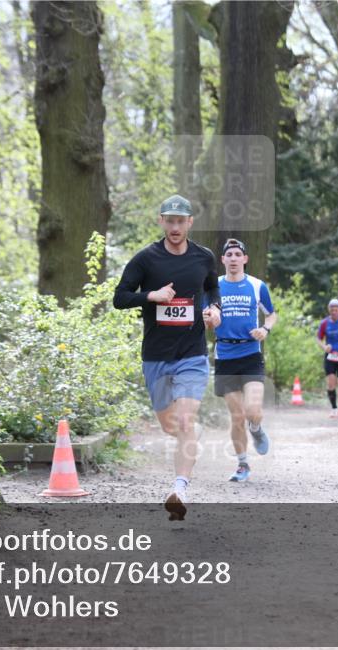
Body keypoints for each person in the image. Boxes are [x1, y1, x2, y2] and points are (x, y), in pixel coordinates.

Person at [113, 194, 221, 521]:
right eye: (169, 220)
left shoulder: (204, 257)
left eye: (181, 221)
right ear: (161, 221)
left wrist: (214, 310)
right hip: (156, 356)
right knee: (171, 426)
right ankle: (191, 436)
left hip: (191, 354)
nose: (175, 227)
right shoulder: (146, 259)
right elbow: (119, 298)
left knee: (186, 421)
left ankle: (180, 488)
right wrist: (151, 296)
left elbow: (212, 288)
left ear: (189, 223)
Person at [212, 238, 278, 482]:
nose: (233, 258)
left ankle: (257, 429)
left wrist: (265, 330)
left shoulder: (257, 285)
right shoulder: (214, 286)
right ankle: (242, 465)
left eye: (237, 254)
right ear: (222, 260)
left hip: (251, 354)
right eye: (228, 254)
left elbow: (271, 315)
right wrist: (210, 319)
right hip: (225, 356)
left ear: (245, 259)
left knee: (253, 411)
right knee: (237, 415)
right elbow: (206, 314)